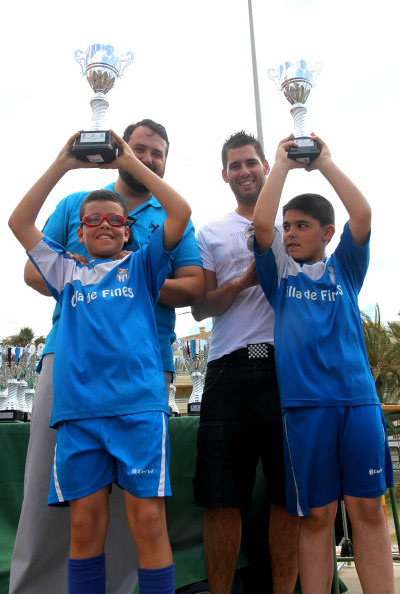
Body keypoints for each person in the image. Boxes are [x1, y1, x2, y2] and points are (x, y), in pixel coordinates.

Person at [9, 119, 204, 594]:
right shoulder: (66, 270)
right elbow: (18, 222)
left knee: (148, 525)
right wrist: (64, 163)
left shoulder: (143, 265)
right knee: (84, 530)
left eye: (115, 220)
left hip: (138, 411)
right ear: (79, 229)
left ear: (128, 230)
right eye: (93, 220)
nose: (103, 226)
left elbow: (179, 209)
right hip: (78, 415)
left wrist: (129, 162)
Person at [252, 133, 394, 594]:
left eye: (300, 226)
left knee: (368, 510)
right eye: (287, 225)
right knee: (317, 515)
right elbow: (261, 228)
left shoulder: (345, 269)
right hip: (306, 408)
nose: (289, 233)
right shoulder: (280, 274)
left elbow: (363, 214)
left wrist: (326, 163)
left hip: (357, 403)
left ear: (326, 234)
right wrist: (281, 165)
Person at [191, 131, 299, 594]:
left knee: (287, 497)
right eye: (235, 165)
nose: (244, 171)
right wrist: (243, 281)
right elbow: (200, 307)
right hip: (228, 370)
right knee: (222, 498)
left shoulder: (292, 224)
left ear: (265, 167)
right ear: (224, 175)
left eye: (251, 162)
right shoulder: (210, 232)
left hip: (285, 368)